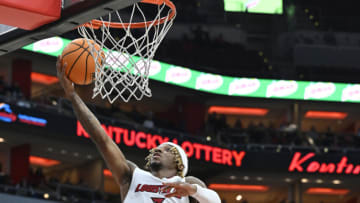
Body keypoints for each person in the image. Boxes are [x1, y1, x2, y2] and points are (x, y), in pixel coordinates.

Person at [56, 56, 221, 203]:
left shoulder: (186, 183)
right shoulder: (133, 175)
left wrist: (194, 190)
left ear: (180, 163)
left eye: (167, 149)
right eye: (158, 147)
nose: (158, 149)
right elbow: (103, 140)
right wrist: (73, 96)